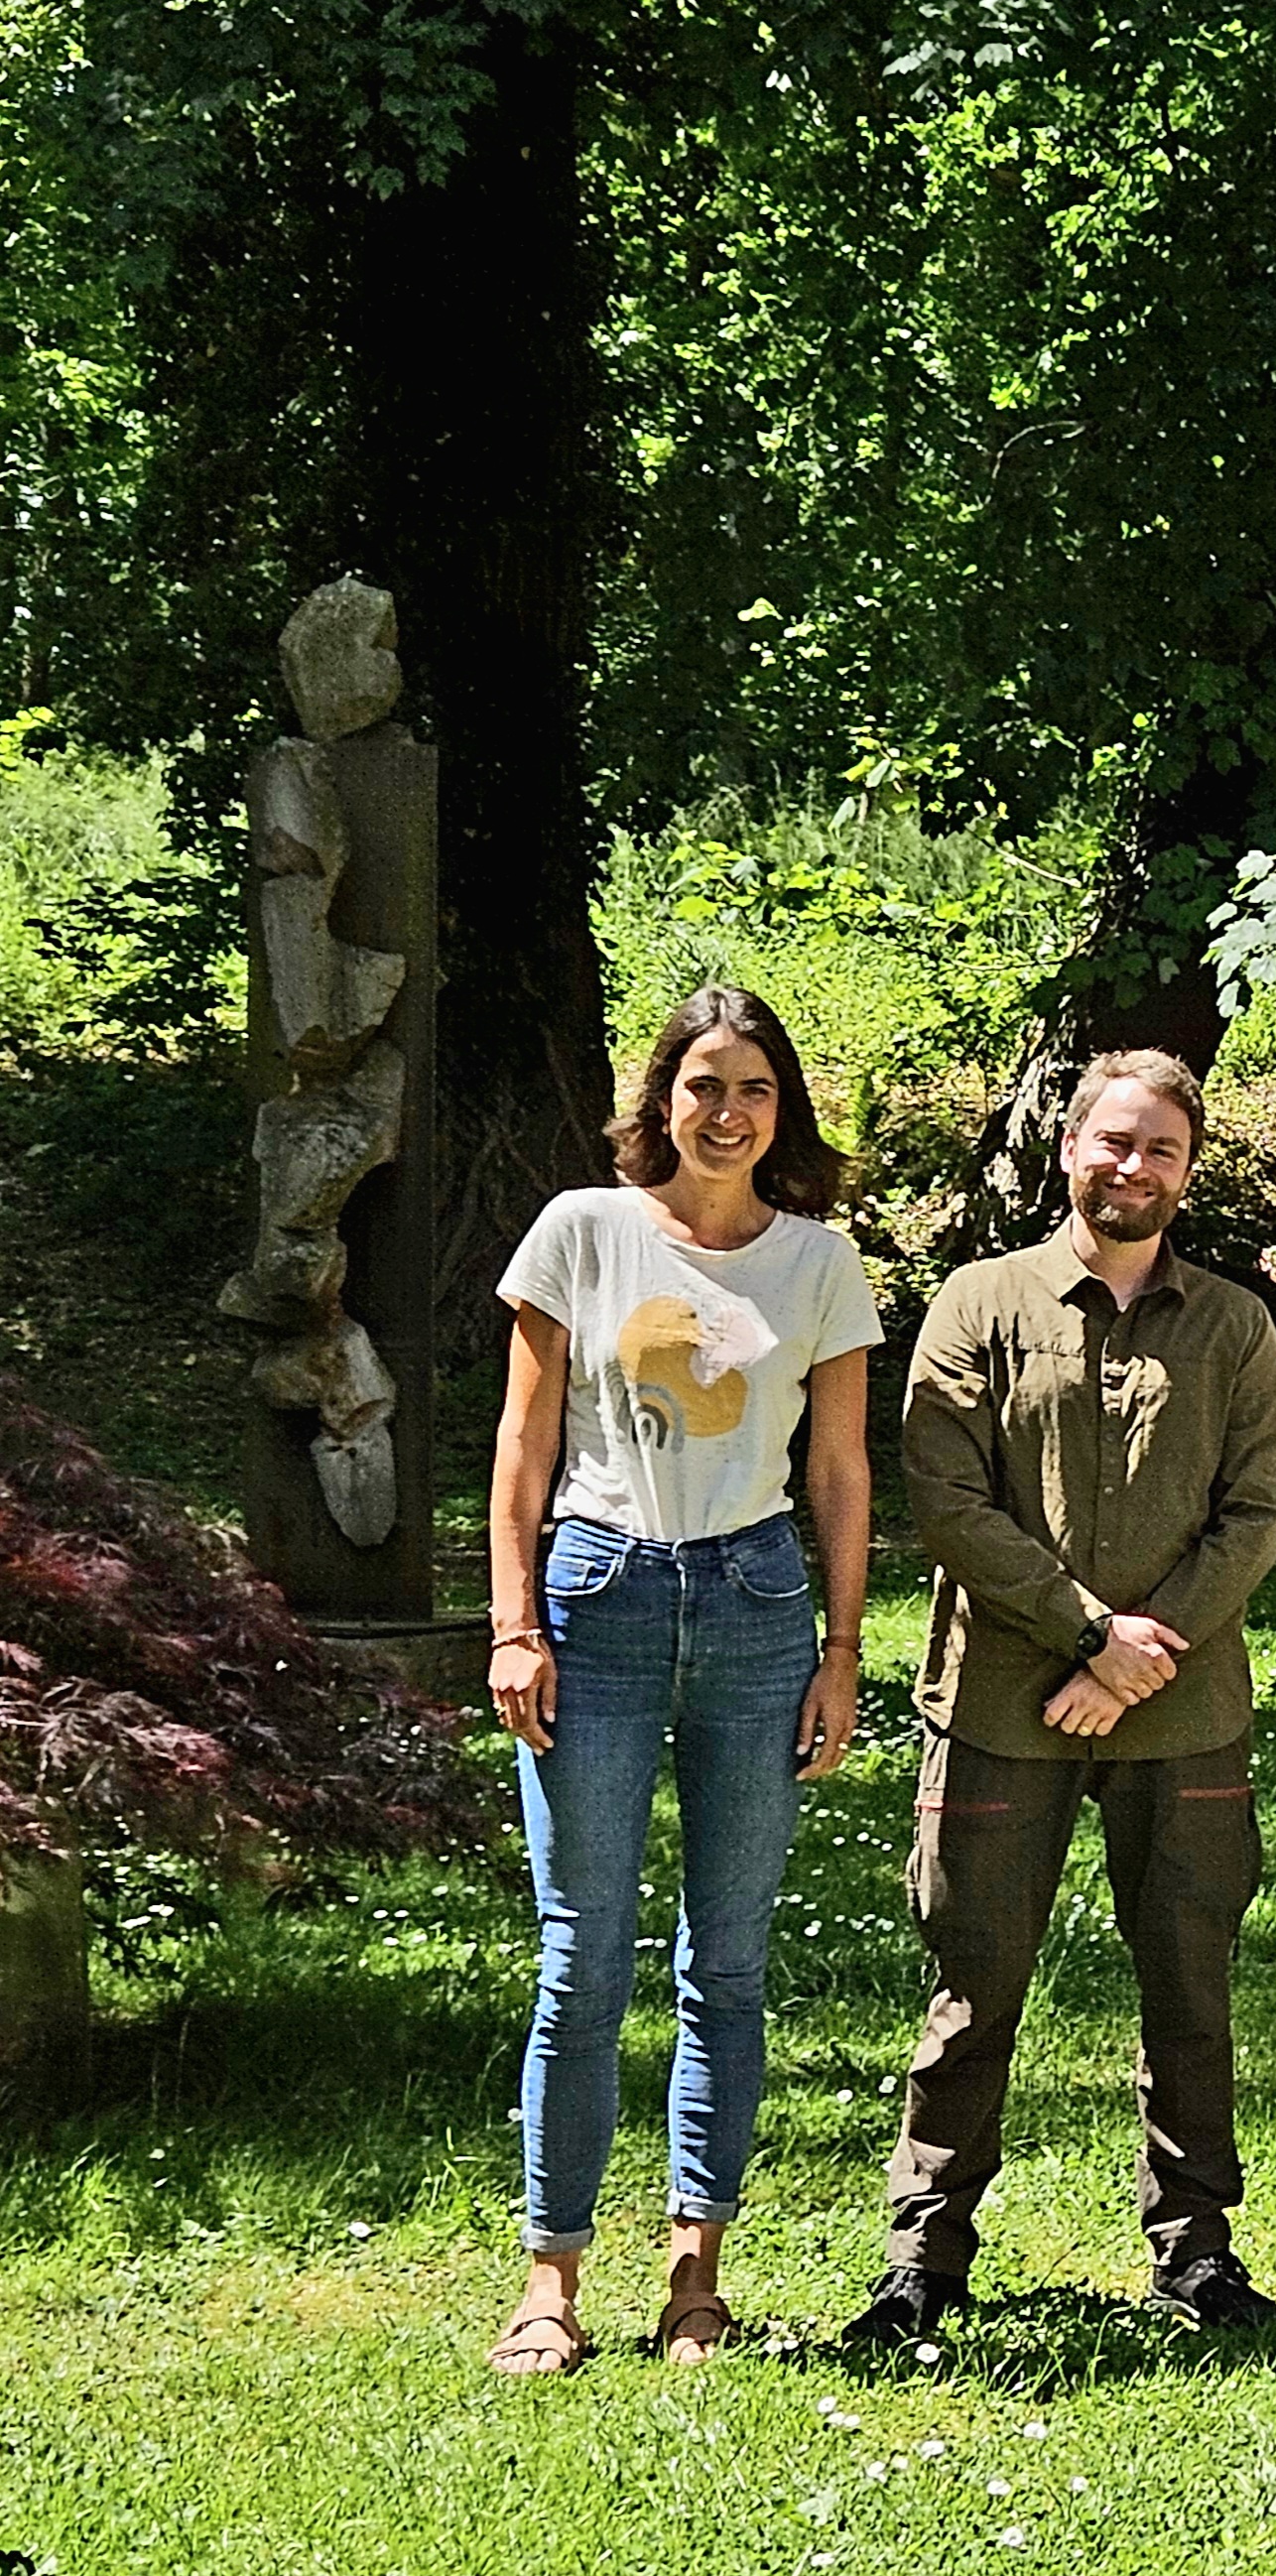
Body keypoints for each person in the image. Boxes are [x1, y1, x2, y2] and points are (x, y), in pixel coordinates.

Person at [844, 1049, 1276, 2345]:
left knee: (1189, 1986)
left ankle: (1196, 2247)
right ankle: (923, 2257)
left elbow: (1257, 1515)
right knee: (974, 1986)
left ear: (1187, 1169)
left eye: (1159, 1148)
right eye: (1111, 1142)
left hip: (1185, 1711)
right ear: (1066, 1149)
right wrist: (1092, 1633)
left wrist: (1148, 1654)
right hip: (998, 1702)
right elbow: (948, 1500)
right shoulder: (978, 1305)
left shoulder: (1233, 1327)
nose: (1131, 1166)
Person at [483, 985, 879, 2375]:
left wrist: (841, 1653)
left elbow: (837, 1472)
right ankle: (551, 2279)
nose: (728, 1113)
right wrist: (511, 1621)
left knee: (729, 1962)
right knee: (580, 1954)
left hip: (760, 1605)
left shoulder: (820, 1264)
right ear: (659, 1100)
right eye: (703, 1085)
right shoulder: (581, 1234)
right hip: (598, 1596)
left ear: (785, 1113)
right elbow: (523, 1449)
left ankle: (696, 2278)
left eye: (756, 1089)